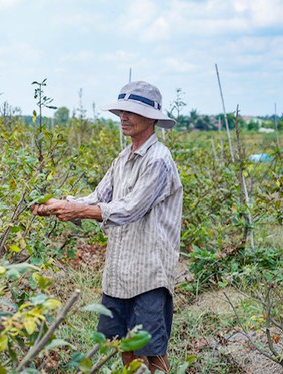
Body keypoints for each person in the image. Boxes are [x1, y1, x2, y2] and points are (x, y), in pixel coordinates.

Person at [31, 81, 183, 373]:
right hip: (119, 272)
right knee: (123, 346)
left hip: (148, 272)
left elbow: (130, 209)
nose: (124, 117)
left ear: (151, 118)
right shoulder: (122, 159)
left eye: (132, 112)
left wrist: (78, 210)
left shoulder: (158, 160)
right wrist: (56, 204)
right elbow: (98, 197)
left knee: (151, 351)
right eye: (121, 111)